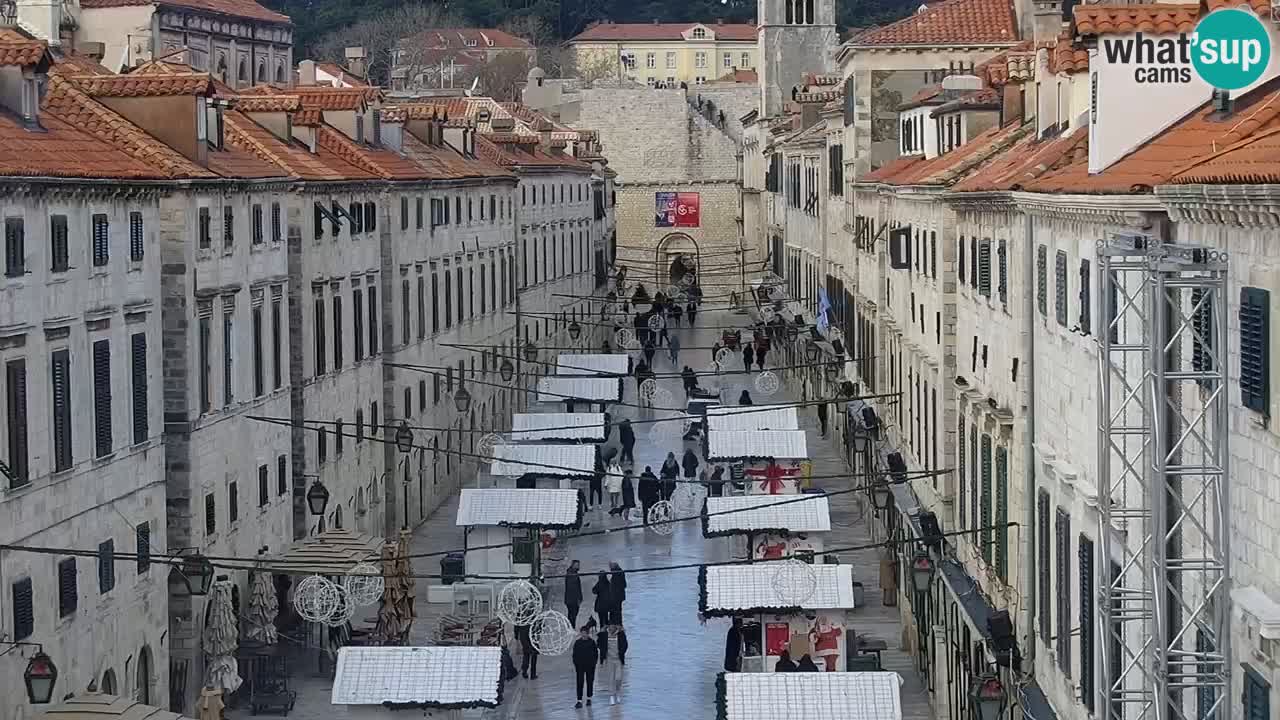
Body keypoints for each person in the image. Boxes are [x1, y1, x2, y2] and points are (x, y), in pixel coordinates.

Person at [572, 626, 599, 708]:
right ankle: (579, 700)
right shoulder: (577, 643)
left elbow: (595, 654)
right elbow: (574, 655)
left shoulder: (592, 642)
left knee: (590, 682)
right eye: (582, 633)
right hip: (580, 666)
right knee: (579, 682)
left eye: (585, 633)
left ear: (587, 633)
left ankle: (589, 698)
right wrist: (576, 664)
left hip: (590, 666)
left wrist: (593, 664)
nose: (583, 635)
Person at [603, 624, 628, 704]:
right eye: (610, 626)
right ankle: (611, 696)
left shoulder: (621, 635)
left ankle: (617, 692)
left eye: (613, 626)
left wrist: (621, 652)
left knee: (618, 678)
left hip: (618, 660)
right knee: (611, 678)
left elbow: (625, 645)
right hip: (609, 659)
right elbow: (599, 643)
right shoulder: (605, 634)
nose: (612, 628)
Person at [564, 560, 583, 627]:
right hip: (572, 599)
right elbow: (574, 588)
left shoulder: (573, 573)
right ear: (573, 565)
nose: (578, 566)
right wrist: (578, 598)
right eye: (576, 565)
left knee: (572, 614)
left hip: (571, 599)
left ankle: (571, 627)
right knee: (573, 614)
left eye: (578, 565)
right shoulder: (572, 574)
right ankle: (571, 627)